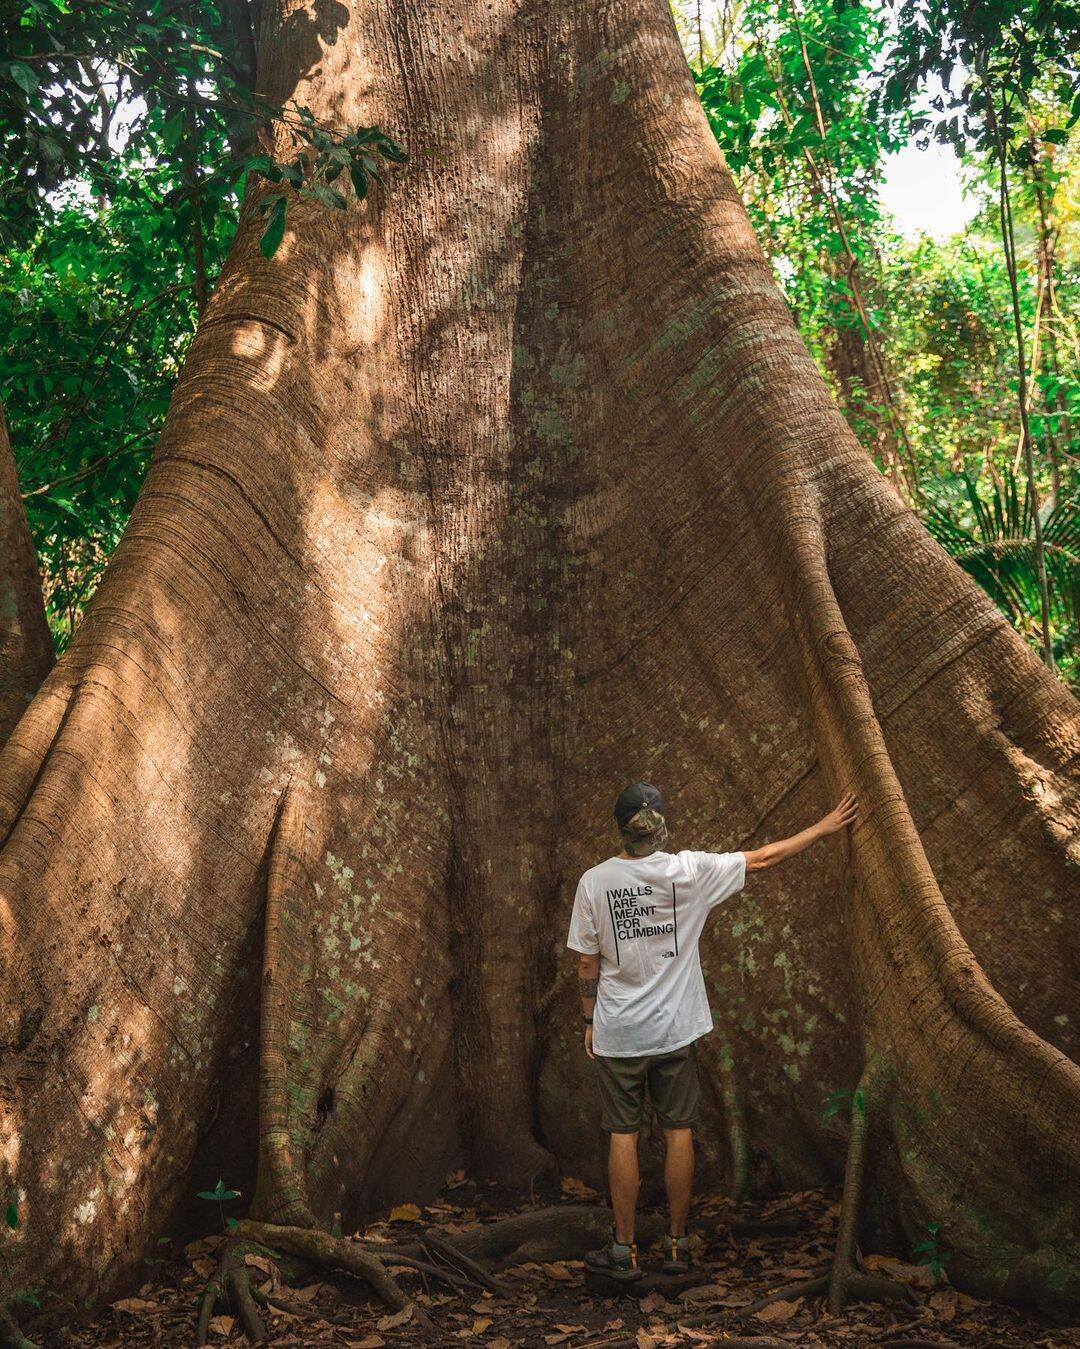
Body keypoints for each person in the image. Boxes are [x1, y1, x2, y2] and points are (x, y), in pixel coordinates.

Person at [566, 781, 858, 1281]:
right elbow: (765, 858)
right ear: (662, 826)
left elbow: (586, 963)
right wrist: (825, 826)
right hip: (677, 1031)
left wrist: (591, 1021)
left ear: (619, 829)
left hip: (621, 1034)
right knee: (679, 1134)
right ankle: (678, 1247)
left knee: (623, 1136)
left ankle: (622, 1251)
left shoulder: (595, 882)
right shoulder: (690, 870)